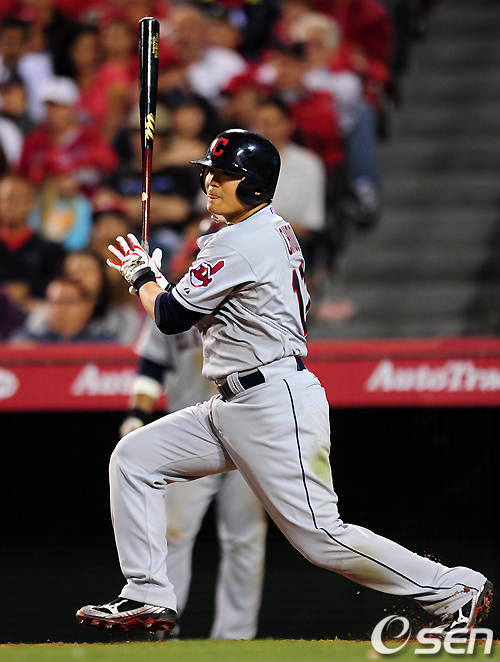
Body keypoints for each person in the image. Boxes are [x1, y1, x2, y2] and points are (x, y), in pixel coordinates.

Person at [76, 129, 492, 637]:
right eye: (209, 172)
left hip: (272, 402)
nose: (210, 182)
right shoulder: (262, 229)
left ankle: (453, 589)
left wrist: (141, 276)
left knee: (321, 538)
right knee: (135, 459)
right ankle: (147, 596)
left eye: (224, 175)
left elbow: (169, 317)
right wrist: (157, 282)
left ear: (254, 185)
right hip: (233, 401)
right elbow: (185, 308)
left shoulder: (240, 242)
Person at [120, 313, 267, 640]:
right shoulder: (170, 304)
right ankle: (162, 629)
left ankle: (237, 639)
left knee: (245, 539)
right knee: (172, 534)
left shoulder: (251, 300)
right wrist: (137, 414)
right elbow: (152, 365)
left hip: (248, 431)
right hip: (190, 436)